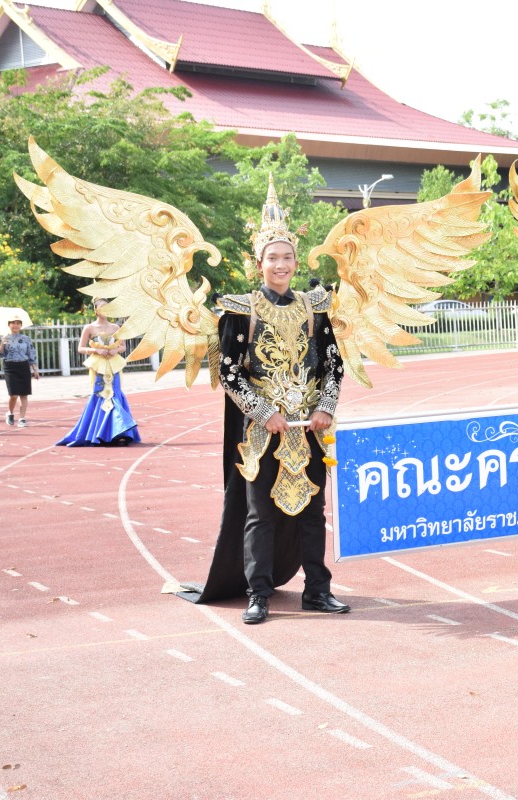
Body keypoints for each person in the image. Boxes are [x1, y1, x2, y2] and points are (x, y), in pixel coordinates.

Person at [179, 182, 348, 624]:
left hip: (309, 431)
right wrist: (264, 412)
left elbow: (334, 365)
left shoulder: (315, 307)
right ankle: (259, 594)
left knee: (314, 512)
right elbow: (230, 373)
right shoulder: (240, 309)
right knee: (260, 516)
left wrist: (325, 408)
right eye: (272, 257)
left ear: (296, 261)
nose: (281, 264)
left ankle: (317, 590)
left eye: (287, 257)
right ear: (259, 263)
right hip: (261, 432)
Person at [55, 298, 141, 446]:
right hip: (98, 365)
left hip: (114, 365)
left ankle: (118, 432)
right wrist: (95, 350)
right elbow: (80, 348)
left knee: (115, 393)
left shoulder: (115, 327)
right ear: (96, 310)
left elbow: (123, 347)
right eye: (101, 308)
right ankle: (100, 433)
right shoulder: (89, 328)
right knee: (100, 394)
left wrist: (115, 350)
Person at [0, 316, 40, 427]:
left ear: (21, 325)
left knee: (24, 394)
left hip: (23, 366)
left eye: (18, 323)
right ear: (9, 325)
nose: (15, 325)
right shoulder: (4, 338)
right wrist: (2, 344)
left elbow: (31, 354)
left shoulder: (26, 339)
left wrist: (35, 369)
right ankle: (10, 413)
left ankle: (22, 418)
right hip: (10, 367)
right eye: (13, 323)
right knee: (14, 394)